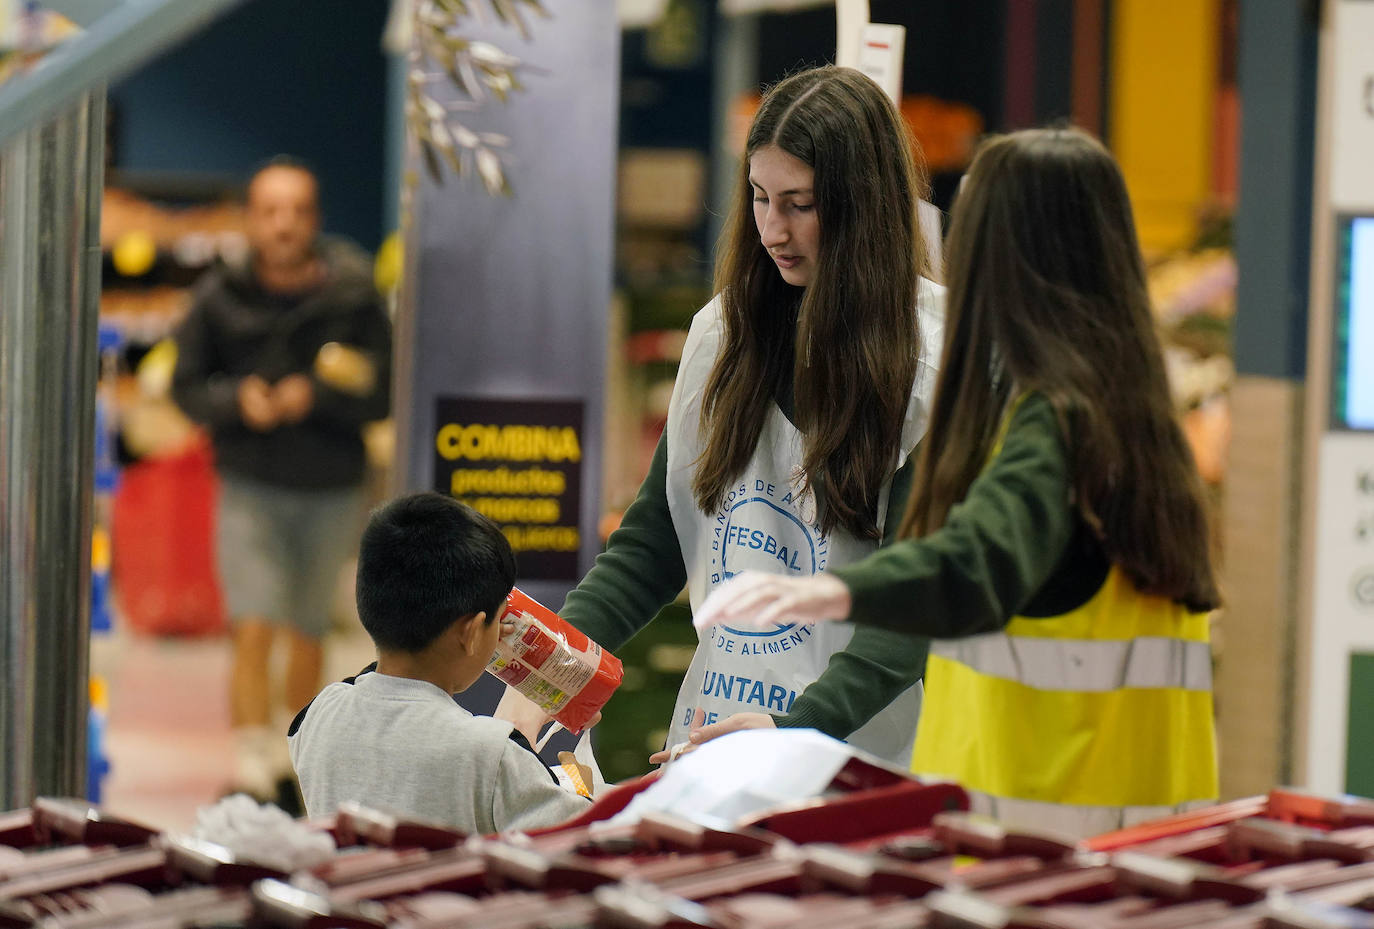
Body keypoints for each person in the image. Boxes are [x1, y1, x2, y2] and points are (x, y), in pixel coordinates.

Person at [693, 127, 1221, 838]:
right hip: (1140, 852)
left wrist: (826, 592)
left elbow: (977, 557)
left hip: (1032, 853)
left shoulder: (1055, 426)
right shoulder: (1142, 430)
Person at [500, 65, 946, 768]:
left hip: (856, 761)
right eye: (760, 197)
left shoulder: (936, 358)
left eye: (800, 204)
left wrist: (794, 729)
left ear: (864, 205)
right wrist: (546, 676)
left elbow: (913, 604)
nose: (772, 229)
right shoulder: (723, 334)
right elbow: (653, 543)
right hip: (713, 745)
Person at [171, 157, 392, 803]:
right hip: (249, 483)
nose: (284, 224)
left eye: (296, 211)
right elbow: (186, 386)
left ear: (315, 220)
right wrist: (237, 400)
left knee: (307, 627)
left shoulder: (353, 296)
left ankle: (298, 751)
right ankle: (250, 758)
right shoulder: (218, 298)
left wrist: (314, 395)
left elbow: (383, 390)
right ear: (250, 220)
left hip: (331, 486)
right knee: (253, 620)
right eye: (270, 211)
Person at [288, 493, 589, 832]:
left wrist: (476, 629)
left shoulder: (317, 716)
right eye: (499, 618)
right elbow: (581, 833)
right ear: (471, 631)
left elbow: (374, 687)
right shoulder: (493, 752)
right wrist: (579, 783)